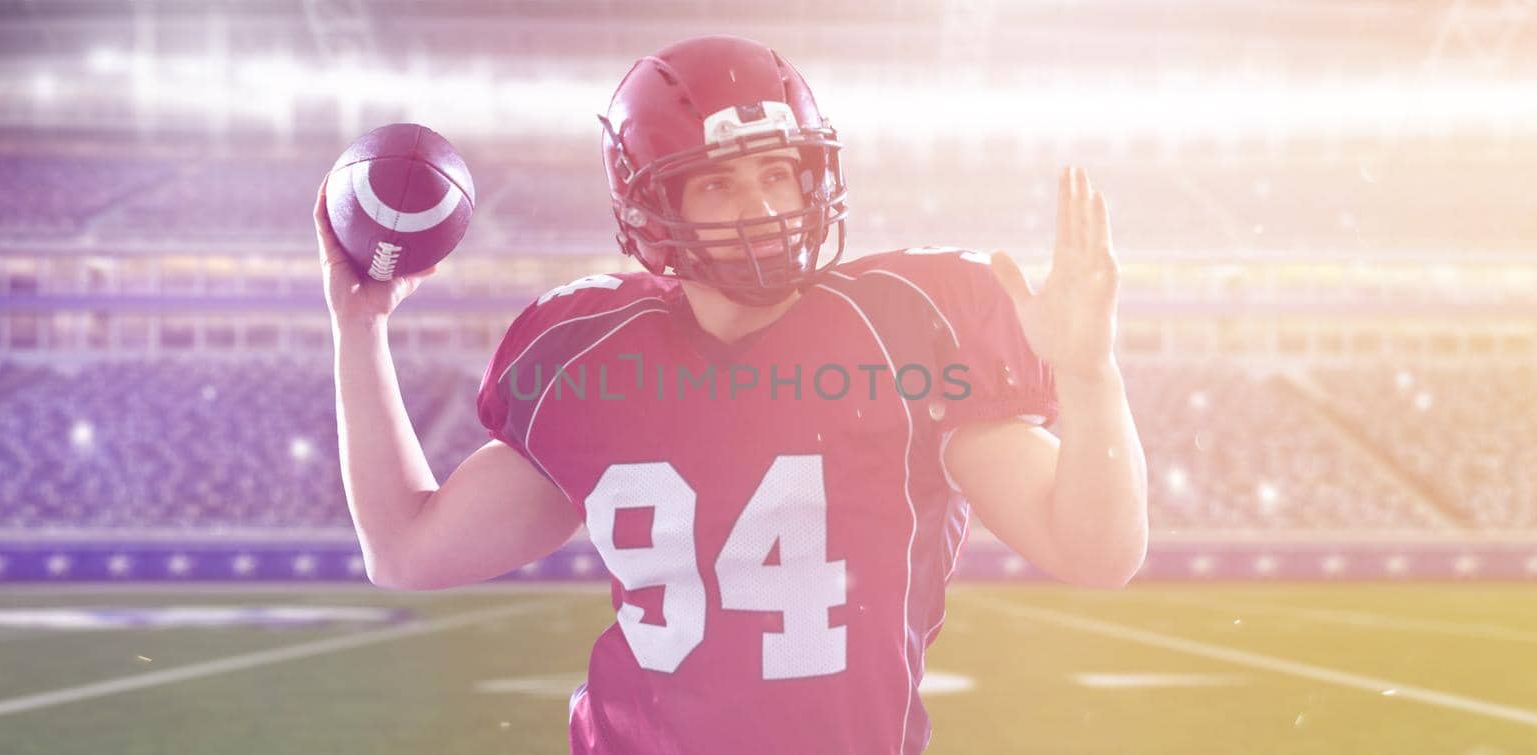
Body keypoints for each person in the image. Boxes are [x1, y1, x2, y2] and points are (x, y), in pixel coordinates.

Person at [316, 34, 1148, 755]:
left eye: (778, 173)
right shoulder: (591, 354)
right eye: (717, 184)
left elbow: (1096, 551)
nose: (762, 207)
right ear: (654, 205)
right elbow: (408, 550)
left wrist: (1090, 377)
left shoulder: (913, 325)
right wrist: (359, 327)